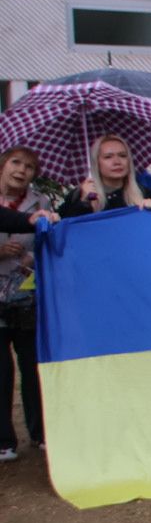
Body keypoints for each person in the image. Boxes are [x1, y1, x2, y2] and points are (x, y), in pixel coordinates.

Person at [0, 147, 50, 460]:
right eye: (16, 163)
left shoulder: (41, 203)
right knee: (1, 370)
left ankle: (40, 432)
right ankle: (4, 440)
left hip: (28, 298)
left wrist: (32, 256)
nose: (21, 170)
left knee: (34, 367)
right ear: (4, 164)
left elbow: (50, 242)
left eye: (29, 167)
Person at [59, 135, 151, 215]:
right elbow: (67, 229)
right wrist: (84, 203)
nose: (117, 162)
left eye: (122, 156)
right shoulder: (78, 195)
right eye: (108, 157)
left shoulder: (143, 192)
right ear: (96, 163)